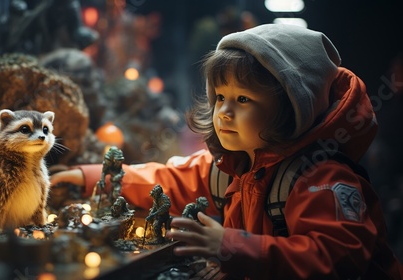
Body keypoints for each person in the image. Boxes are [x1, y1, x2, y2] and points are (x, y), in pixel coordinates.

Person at [50, 24, 403, 278]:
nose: (224, 112)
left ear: (292, 107)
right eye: (220, 97)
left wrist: (232, 246)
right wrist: (94, 176)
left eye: (243, 99)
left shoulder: (322, 178)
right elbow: (169, 180)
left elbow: (334, 259)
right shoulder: (233, 165)